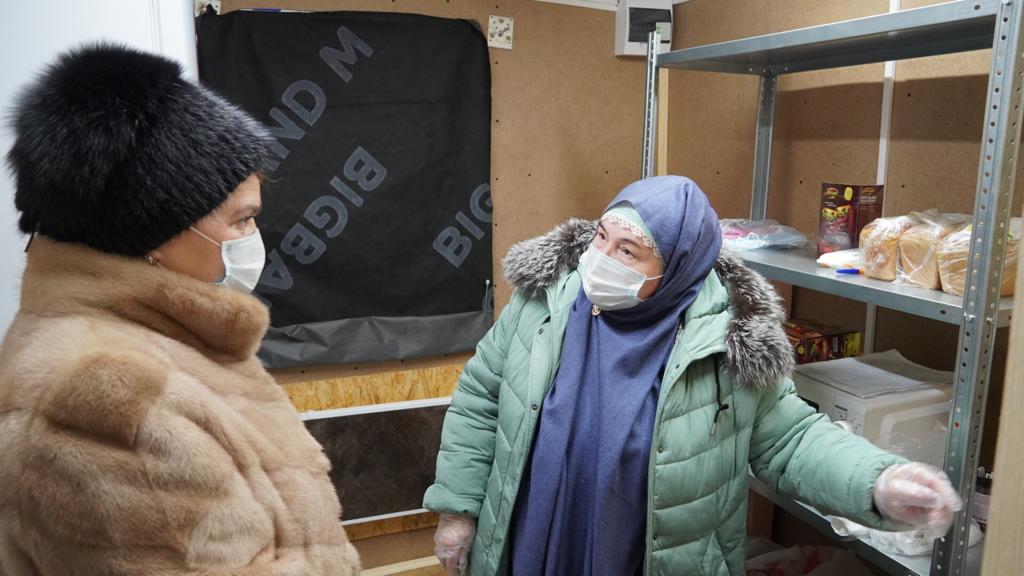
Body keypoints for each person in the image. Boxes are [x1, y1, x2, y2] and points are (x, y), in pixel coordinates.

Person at [424, 176, 961, 576]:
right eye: (601, 237)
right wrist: (457, 512)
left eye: (628, 251)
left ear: (677, 269)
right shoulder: (540, 305)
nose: (600, 259)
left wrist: (877, 482)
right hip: (528, 546)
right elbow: (480, 400)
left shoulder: (727, 344)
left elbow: (792, 440)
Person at [0, 44, 360, 575]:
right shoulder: (107, 396)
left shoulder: (147, 345)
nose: (254, 237)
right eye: (241, 219)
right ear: (155, 231)